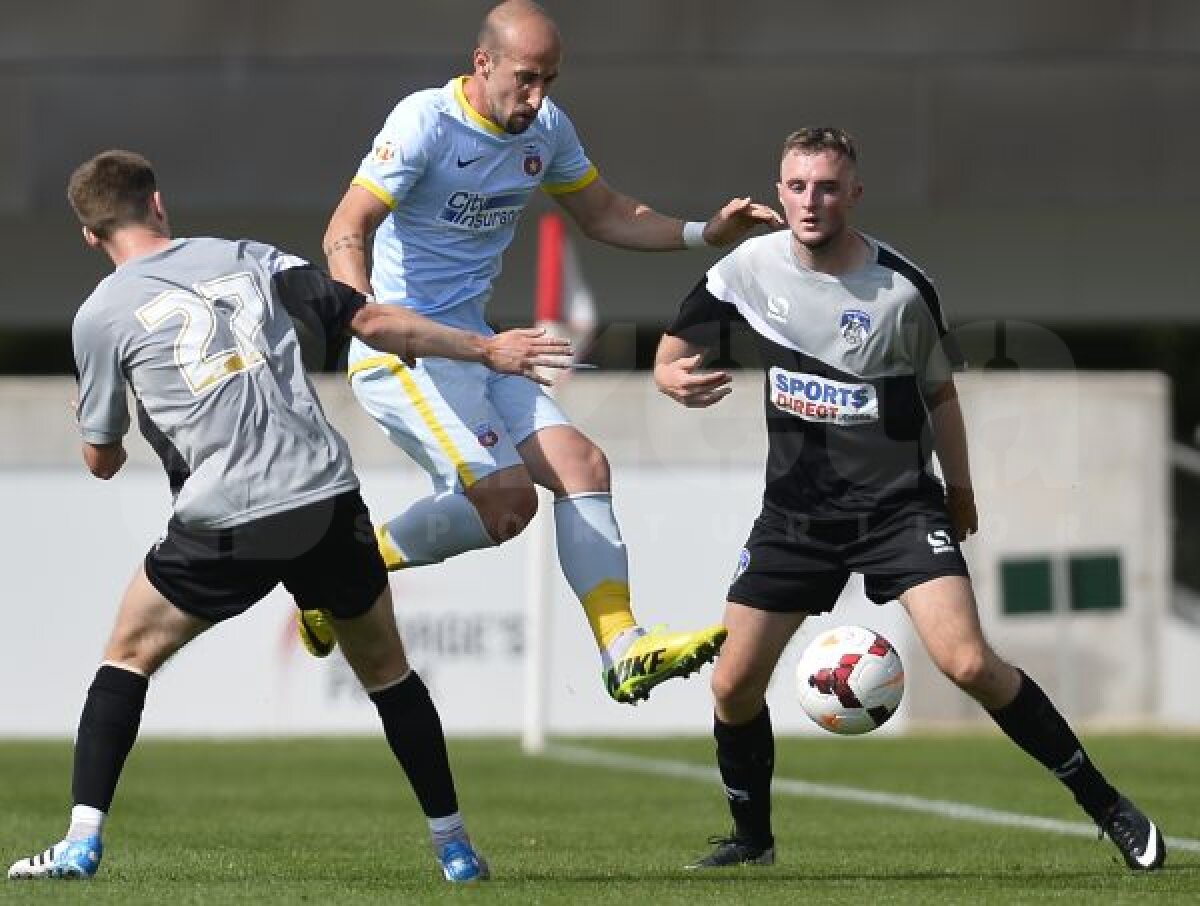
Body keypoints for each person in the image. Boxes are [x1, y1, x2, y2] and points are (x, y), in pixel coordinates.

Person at [7, 149, 574, 883]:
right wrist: (484, 347)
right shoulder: (247, 256)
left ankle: (83, 840)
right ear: (158, 204)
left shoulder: (100, 316)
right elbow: (368, 318)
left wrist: (98, 423)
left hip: (227, 517)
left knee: (127, 656)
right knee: (389, 674)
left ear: (90, 237)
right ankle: (456, 849)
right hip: (324, 502)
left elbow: (102, 460)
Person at [653, 127, 1167, 871]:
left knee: (968, 664)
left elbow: (941, 393)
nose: (810, 201)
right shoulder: (748, 267)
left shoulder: (902, 287)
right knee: (733, 684)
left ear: (854, 194)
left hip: (898, 508)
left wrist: (959, 489)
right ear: (778, 189)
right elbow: (672, 353)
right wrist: (672, 378)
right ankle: (752, 842)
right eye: (796, 186)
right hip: (795, 515)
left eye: (827, 187)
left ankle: (1109, 806)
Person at [304, 0, 782, 704]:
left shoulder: (546, 128)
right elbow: (347, 225)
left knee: (584, 466)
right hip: (404, 352)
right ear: (483, 63)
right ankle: (336, 571)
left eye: (550, 80)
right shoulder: (425, 123)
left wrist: (702, 233)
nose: (538, 97)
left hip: (484, 346)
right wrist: (361, 307)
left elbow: (605, 213)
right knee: (507, 506)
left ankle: (623, 649)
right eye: (526, 79)